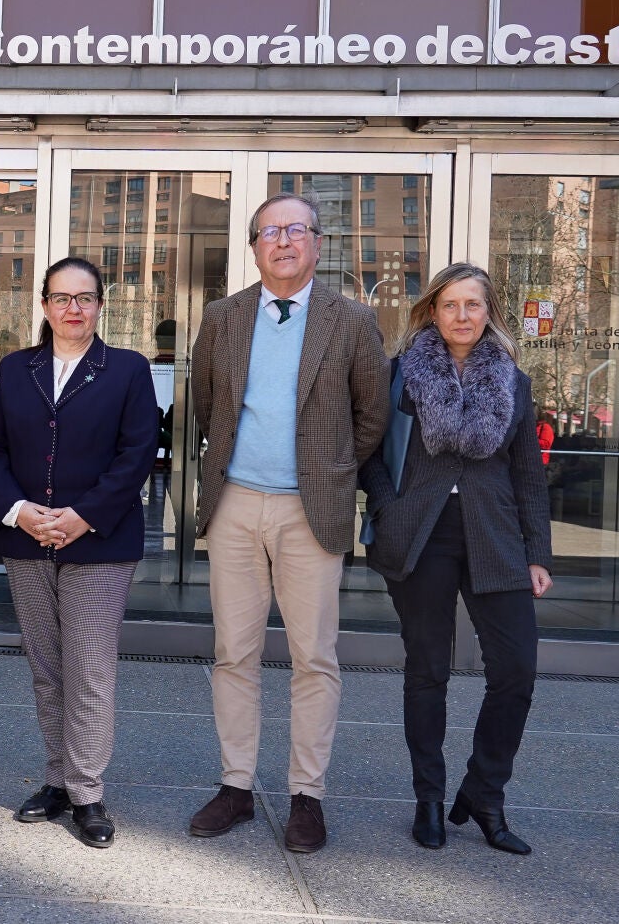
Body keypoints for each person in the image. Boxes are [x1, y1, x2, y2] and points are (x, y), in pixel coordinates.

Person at [186, 193, 389, 853]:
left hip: (312, 509)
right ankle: (236, 785)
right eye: (269, 231)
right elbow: (207, 404)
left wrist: (331, 470)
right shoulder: (222, 316)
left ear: (317, 244)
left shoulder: (352, 320)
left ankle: (308, 795)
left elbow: (372, 415)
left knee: (314, 658)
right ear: (254, 247)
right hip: (236, 505)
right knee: (233, 653)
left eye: (295, 230)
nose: (282, 241)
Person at [358, 263, 553, 854]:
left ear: (489, 312)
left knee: (516, 671)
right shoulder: (400, 374)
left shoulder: (513, 381)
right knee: (427, 671)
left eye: (473, 304)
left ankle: (484, 793)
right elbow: (368, 452)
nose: (461, 316)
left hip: (496, 538)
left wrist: (537, 553)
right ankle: (429, 798)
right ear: (432, 312)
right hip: (420, 535)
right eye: (450, 305)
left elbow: (528, 474)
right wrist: (388, 507)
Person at [0, 257, 157, 849]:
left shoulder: (127, 369)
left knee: (89, 670)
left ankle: (87, 792)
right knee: (47, 668)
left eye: (84, 298)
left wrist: (83, 516)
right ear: (45, 306)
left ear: (100, 305)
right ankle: (57, 780)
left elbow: (137, 453)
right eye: (61, 298)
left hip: (99, 543)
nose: (72, 308)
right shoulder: (16, 368)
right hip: (27, 539)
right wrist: (18, 511)